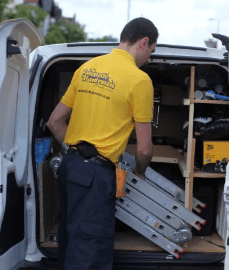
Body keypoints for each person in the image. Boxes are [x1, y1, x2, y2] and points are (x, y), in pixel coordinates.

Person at [47, 17, 158, 270]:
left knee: (72, 241)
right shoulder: (139, 81)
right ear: (143, 43)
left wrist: (78, 153)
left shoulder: (87, 68)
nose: (149, 59)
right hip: (96, 176)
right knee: (90, 254)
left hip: (70, 168)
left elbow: (55, 122)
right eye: (151, 51)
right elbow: (143, 148)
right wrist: (140, 172)